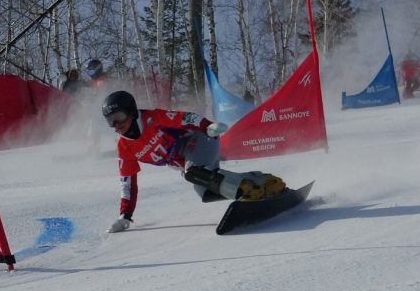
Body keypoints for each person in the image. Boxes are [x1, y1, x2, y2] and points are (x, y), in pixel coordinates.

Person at [101, 90, 286, 233]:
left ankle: (248, 192)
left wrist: (207, 126)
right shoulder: (124, 147)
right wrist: (125, 215)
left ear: (131, 112)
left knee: (194, 173)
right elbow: (127, 183)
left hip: (200, 139)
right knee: (207, 192)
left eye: (119, 117)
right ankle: (262, 182)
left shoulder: (151, 118)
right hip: (187, 164)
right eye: (111, 121)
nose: (117, 125)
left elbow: (185, 118)